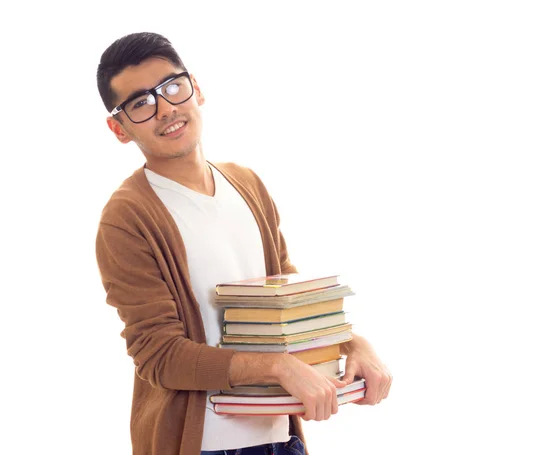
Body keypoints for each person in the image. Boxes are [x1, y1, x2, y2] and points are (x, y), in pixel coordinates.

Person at [95, 32, 392, 455]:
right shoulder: (127, 218)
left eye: (171, 87)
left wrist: (352, 344)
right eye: (140, 103)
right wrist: (276, 367)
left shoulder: (247, 184)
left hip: (280, 439)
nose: (165, 109)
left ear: (195, 87)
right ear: (118, 128)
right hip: (199, 446)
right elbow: (158, 355)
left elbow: (288, 304)